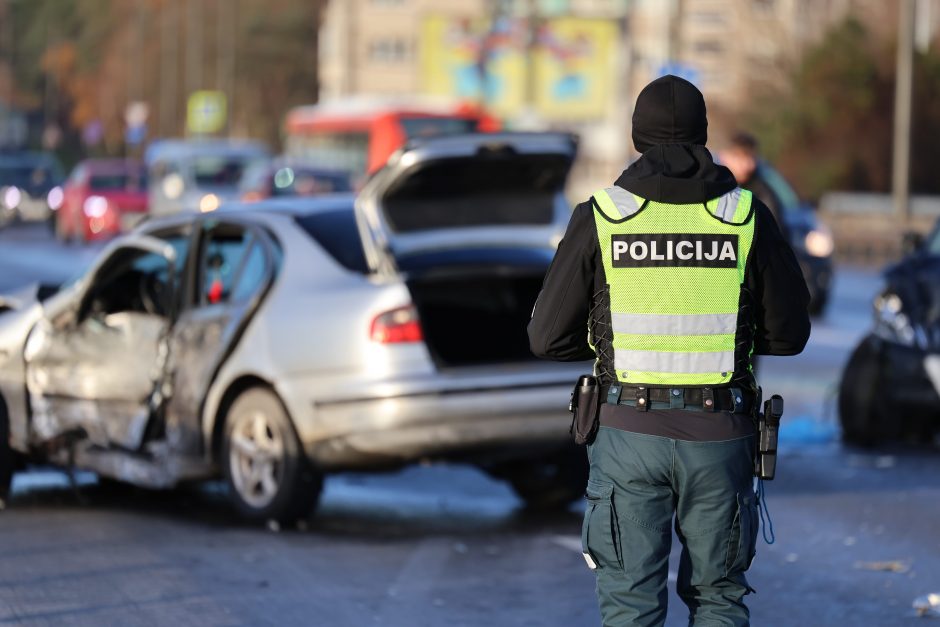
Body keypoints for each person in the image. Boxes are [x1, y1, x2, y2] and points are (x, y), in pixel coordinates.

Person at [528, 75, 810, 626]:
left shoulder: (603, 216)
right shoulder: (746, 215)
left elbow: (546, 337)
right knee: (719, 598)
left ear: (637, 137)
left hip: (627, 435)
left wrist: (607, 337)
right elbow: (790, 334)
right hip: (721, 436)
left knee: (631, 604)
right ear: (704, 135)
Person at [718, 132, 788, 238]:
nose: (748, 165)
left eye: (751, 158)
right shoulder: (712, 188)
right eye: (740, 157)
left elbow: (773, 236)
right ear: (724, 156)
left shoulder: (763, 194)